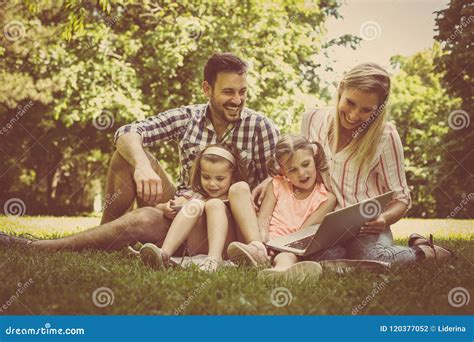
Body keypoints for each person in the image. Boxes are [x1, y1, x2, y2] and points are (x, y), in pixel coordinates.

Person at [0, 52, 279, 253]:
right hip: (182, 204)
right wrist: (142, 166)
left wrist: (268, 182)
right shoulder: (188, 117)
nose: (237, 100)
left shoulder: (260, 127)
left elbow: (278, 185)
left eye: (242, 92)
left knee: (145, 218)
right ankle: (105, 235)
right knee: (126, 154)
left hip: (224, 219)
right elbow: (126, 132)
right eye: (229, 92)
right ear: (207, 89)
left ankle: (40, 247)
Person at [255, 62, 452, 263]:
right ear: (341, 90)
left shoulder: (385, 138)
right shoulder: (312, 119)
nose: (354, 115)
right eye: (350, 102)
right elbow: (298, 159)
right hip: (323, 226)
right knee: (324, 257)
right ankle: (343, 258)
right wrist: (273, 179)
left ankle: (425, 251)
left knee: (368, 256)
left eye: (366, 110)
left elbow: (402, 199)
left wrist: (383, 219)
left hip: (365, 225)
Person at [227, 134, 345, 282]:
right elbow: (264, 217)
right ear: (283, 171)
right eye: (292, 170)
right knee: (239, 188)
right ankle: (258, 252)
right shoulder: (276, 184)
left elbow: (305, 231)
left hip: (289, 246)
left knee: (286, 257)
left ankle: (279, 272)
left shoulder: (326, 198)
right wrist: (263, 239)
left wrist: (282, 245)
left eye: (306, 164)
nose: (301, 173)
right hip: (262, 239)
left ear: (314, 159)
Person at [139, 143, 250, 272]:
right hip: (196, 246)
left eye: (220, 179)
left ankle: (214, 258)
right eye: (206, 177)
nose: (212, 184)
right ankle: (164, 254)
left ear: (233, 177)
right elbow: (156, 209)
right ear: (199, 174)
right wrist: (165, 207)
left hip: (226, 247)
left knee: (215, 205)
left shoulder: (234, 197)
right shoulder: (194, 195)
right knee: (194, 204)